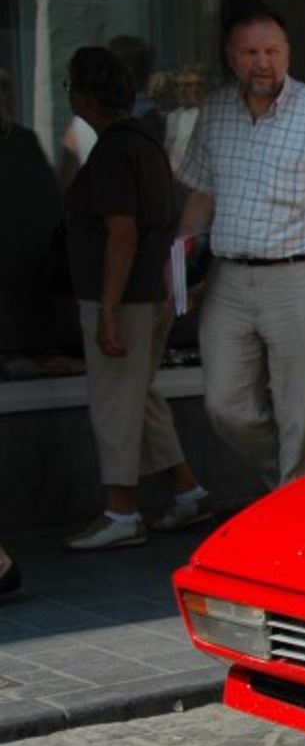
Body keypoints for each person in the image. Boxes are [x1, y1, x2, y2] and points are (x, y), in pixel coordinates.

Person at [177, 9, 305, 490]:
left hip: (304, 279)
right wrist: (179, 273)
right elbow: (199, 200)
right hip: (229, 280)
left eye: (272, 51)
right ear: (231, 58)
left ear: (287, 54)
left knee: (303, 410)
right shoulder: (213, 113)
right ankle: (295, 486)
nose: (262, 62)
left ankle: (296, 507)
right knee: (224, 405)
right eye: (250, 52)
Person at [61, 47, 212, 550]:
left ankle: (121, 511)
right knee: (137, 396)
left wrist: (106, 308)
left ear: (85, 94)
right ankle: (186, 488)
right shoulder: (146, 142)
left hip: (123, 297)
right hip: (152, 291)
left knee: (114, 403)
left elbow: (119, 233)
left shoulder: (112, 151)